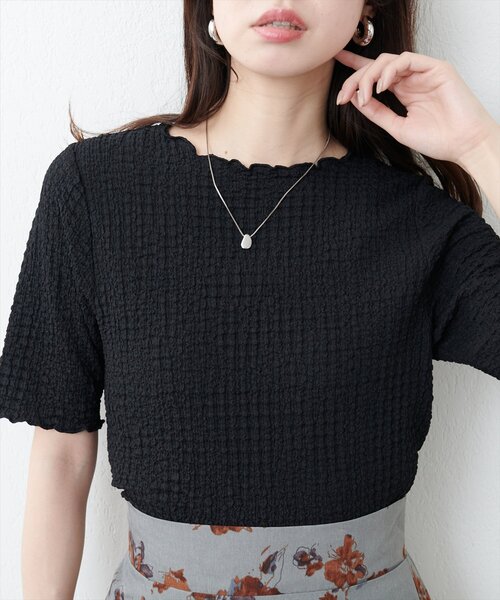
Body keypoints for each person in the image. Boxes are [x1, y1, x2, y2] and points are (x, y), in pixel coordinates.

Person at [0, 1, 499, 598]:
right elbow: (60, 451)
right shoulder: (96, 190)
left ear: (368, 8)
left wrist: (479, 144)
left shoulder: (418, 223)